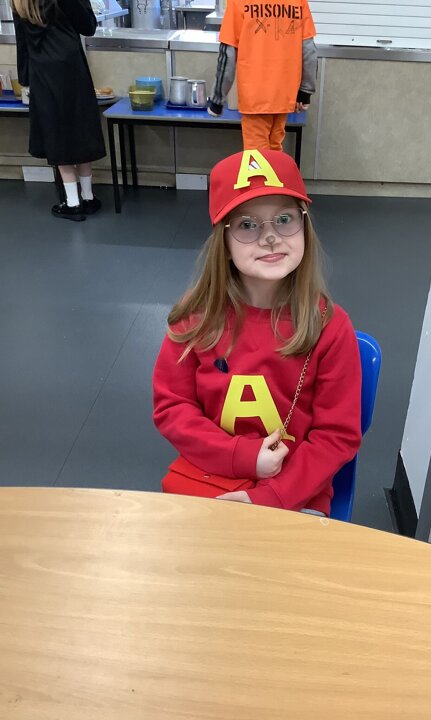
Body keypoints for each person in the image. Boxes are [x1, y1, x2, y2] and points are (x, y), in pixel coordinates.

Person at [153, 149, 362, 516]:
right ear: (224, 242)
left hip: (294, 491)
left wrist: (272, 497)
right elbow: (173, 408)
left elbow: (336, 436)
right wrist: (243, 456)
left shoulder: (330, 327)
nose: (270, 238)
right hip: (209, 475)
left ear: (304, 227)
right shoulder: (195, 317)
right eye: (248, 225)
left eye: (284, 219)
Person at [13, 0, 106, 221]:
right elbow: (88, 27)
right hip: (72, 68)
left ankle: (72, 201)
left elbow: (22, 42)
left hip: (42, 71)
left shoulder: (19, 1)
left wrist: (25, 80)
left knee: (56, 133)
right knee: (81, 128)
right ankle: (88, 197)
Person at [207, 0, 317, 152]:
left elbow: (228, 54)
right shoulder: (298, 2)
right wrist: (305, 91)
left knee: (257, 159)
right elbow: (309, 50)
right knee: (274, 151)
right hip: (283, 94)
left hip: (254, 97)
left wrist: (217, 99)